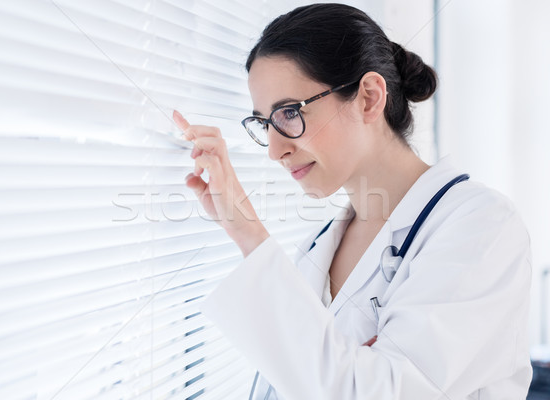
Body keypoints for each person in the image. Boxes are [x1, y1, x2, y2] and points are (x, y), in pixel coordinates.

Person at [173, 3, 532, 399]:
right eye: (264, 123)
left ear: (368, 98)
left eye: (290, 113)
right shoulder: (318, 246)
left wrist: (247, 232)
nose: (274, 150)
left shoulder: (481, 227)